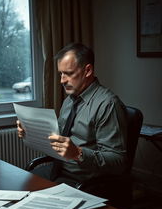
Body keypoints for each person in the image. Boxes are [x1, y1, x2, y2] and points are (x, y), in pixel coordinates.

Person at [17, 42, 128, 188]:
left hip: (84, 180)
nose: (62, 80)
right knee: (20, 185)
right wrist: (30, 131)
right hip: (59, 169)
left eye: (68, 73)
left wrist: (78, 153)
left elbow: (118, 162)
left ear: (87, 70)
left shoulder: (108, 104)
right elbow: (57, 140)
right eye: (61, 74)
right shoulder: (69, 100)